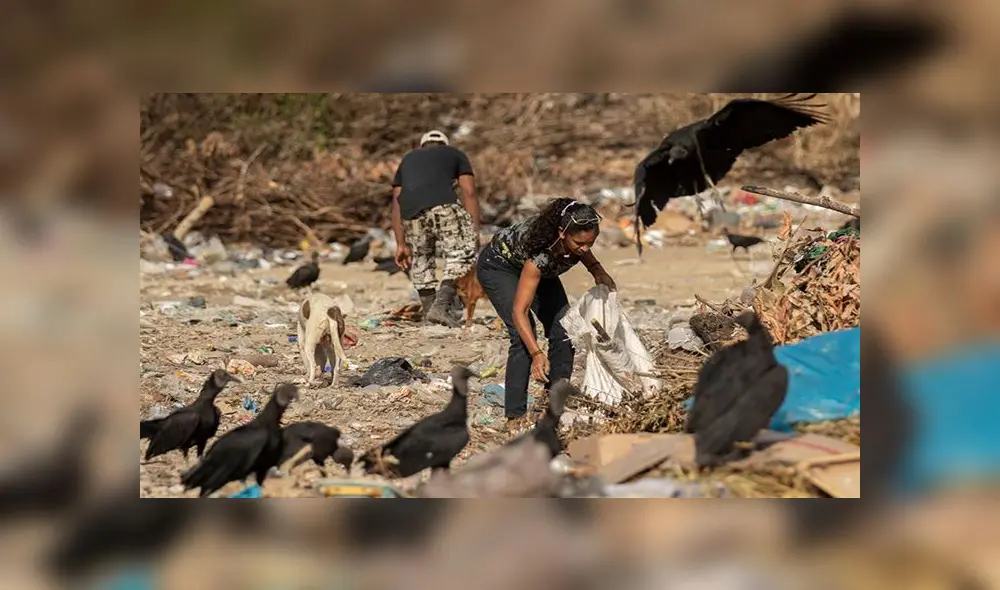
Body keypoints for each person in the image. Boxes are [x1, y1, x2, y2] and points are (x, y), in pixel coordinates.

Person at [476, 197, 617, 427]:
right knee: (522, 335)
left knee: (564, 328)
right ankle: (515, 415)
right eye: (579, 244)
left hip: (543, 271)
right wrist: (536, 354)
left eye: (591, 243)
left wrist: (597, 270)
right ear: (562, 233)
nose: (585, 249)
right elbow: (519, 311)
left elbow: (583, 249)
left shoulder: (575, 235)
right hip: (500, 266)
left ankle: (554, 402)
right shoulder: (541, 253)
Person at [391, 130, 480, 327]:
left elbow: (397, 200)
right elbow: (469, 191)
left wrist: (400, 243)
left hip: (410, 210)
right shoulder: (455, 153)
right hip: (444, 206)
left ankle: (430, 315)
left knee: (421, 258)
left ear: (423, 145)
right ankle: (440, 307)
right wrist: (473, 232)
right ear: (444, 144)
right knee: (462, 253)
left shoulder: (408, 159)